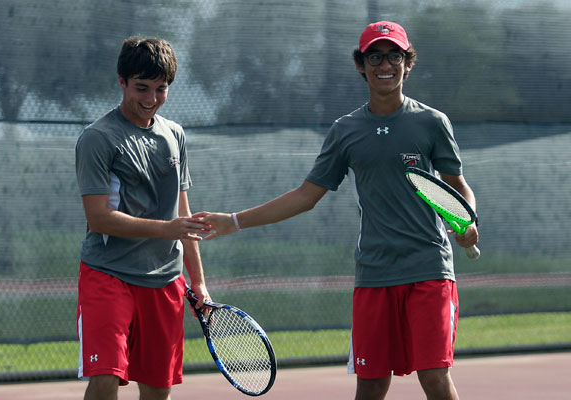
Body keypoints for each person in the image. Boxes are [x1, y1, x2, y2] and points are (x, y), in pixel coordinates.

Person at [196, 21, 478, 400]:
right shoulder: (346, 130)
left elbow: (457, 188)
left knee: (434, 376)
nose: (385, 64)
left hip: (429, 271)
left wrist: (468, 220)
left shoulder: (431, 122)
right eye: (374, 56)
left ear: (407, 64)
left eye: (394, 55)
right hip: (374, 275)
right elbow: (305, 195)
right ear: (361, 65)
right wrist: (233, 221)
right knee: (372, 384)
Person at [75, 37, 212, 400]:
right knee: (105, 377)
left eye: (160, 89)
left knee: (157, 390)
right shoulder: (98, 138)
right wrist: (167, 229)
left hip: (166, 282)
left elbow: (184, 214)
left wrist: (197, 282)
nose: (150, 99)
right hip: (109, 275)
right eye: (141, 88)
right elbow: (99, 217)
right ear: (121, 81)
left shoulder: (175, 135)